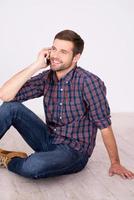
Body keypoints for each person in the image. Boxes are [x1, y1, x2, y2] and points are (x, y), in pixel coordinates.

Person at [0, 30, 133, 180]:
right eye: (54, 49)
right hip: (48, 139)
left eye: (63, 51)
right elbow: (5, 95)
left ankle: (11, 160)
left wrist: (115, 163)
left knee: (33, 166)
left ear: (76, 57)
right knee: (10, 107)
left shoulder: (89, 82)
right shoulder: (46, 77)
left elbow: (105, 126)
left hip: (74, 152)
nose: (55, 55)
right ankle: (36, 158)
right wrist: (36, 65)